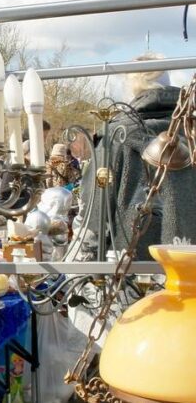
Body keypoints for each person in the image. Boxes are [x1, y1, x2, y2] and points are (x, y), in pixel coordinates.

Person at [75, 52, 196, 261]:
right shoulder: (191, 133)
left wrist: (82, 267)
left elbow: (94, 213)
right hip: (188, 268)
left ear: (131, 86)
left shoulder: (116, 136)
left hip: (130, 269)